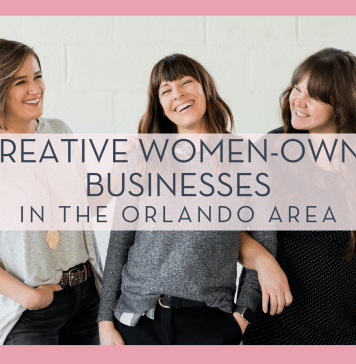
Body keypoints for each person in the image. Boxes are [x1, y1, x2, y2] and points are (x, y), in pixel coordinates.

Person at [98, 54, 292, 345]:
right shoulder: (143, 155)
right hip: (136, 320)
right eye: (166, 91)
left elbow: (264, 240)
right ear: (160, 105)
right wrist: (104, 320)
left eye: (186, 82)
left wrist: (241, 317)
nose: (178, 95)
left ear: (205, 88)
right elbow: (120, 240)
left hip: (208, 322)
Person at [241, 48, 356, 345]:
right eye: (296, 88)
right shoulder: (272, 148)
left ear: (341, 104)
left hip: (345, 334)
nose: (298, 102)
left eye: (314, 96)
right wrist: (264, 262)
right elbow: (227, 228)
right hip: (277, 328)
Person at [0, 39, 103, 345]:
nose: (36, 89)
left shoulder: (59, 131)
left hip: (86, 296)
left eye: (37, 76)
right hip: (30, 311)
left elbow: (84, 203)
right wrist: (29, 297)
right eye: (21, 82)